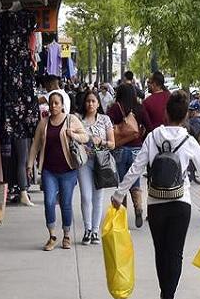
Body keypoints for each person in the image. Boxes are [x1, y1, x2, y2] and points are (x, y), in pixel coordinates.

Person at [112, 90, 200, 299]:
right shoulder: (189, 141)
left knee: (161, 252)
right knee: (175, 253)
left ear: (166, 113)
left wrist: (119, 195)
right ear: (186, 115)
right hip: (181, 202)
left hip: (156, 203)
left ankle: (164, 293)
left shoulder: (153, 137)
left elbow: (136, 168)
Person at [27, 91, 88, 251]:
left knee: (66, 204)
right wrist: (29, 164)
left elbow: (85, 137)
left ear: (62, 105)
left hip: (68, 170)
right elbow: (35, 145)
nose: (53, 106)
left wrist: (73, 135)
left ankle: (66, 235)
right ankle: (52, 235)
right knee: (48, 202)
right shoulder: (44, 123)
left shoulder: (71, 120)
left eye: (56, 103)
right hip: (49, 171)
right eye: (51, 103)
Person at [107, 83, 153, 228]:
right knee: (134, 180)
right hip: (136, 149)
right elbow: (150, 126)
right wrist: (140, 134)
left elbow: (107, 124)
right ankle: (138, 208)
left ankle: (123, 215)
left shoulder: (116, 107)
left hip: (120, 148)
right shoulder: (140, 107)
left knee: (122, 182)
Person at [77, 91, 115, 245]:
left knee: (98, 197)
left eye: (93, 101)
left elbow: (113, 143)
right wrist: (81, 145)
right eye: (88, 101)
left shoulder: (105, 120)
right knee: (86, 196)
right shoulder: (78, 120)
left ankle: (95, 230)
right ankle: (87, 229)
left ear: (98, 103)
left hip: (101, 162)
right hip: (84, 162)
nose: (90, 104)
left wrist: (102, 142)